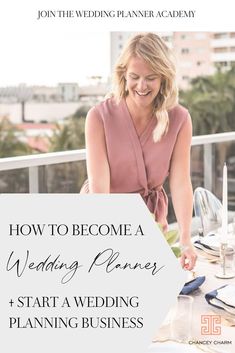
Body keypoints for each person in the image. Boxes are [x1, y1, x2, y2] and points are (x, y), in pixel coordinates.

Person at [81, 32, 197, 270]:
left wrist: (185, 238)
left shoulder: (180, 119)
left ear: (164, 78)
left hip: (154, 223)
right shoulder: (99, 117)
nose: (141, 86)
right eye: (134, 77)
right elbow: (99, 191)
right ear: (123, 75)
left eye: (151, 78)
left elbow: (181, 183)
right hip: (104, 221)